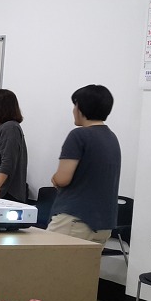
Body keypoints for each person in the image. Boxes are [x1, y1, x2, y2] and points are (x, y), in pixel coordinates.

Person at [46, 85, 121, 244]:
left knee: (46, 260)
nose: (73, 110)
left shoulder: (79, 135)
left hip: (75, 219)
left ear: (81, 108)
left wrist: (54, 178)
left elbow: (62, 179)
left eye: (75, 105)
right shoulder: (111, 137)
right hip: (103, 223)